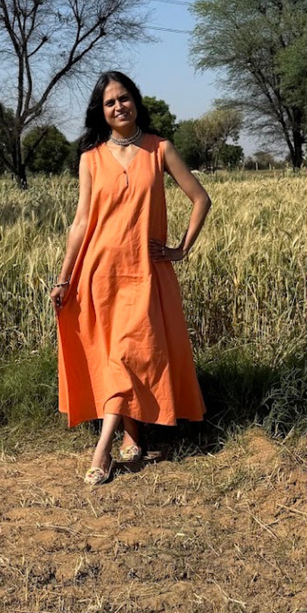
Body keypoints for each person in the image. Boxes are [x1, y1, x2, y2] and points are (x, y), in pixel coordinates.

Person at [52, 72, 212, 485]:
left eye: (124, 98)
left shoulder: (160, 149)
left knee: (127, 353)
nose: (118, 106)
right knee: (112, 356)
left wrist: (180, 249)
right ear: (101, 112)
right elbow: (81, 221)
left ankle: (101, 450)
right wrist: (64, 278)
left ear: (136, 101)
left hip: (145, 271)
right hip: (98, 271)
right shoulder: (91, 157)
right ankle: (130, 430)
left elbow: (201, 199)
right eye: (109, 103)